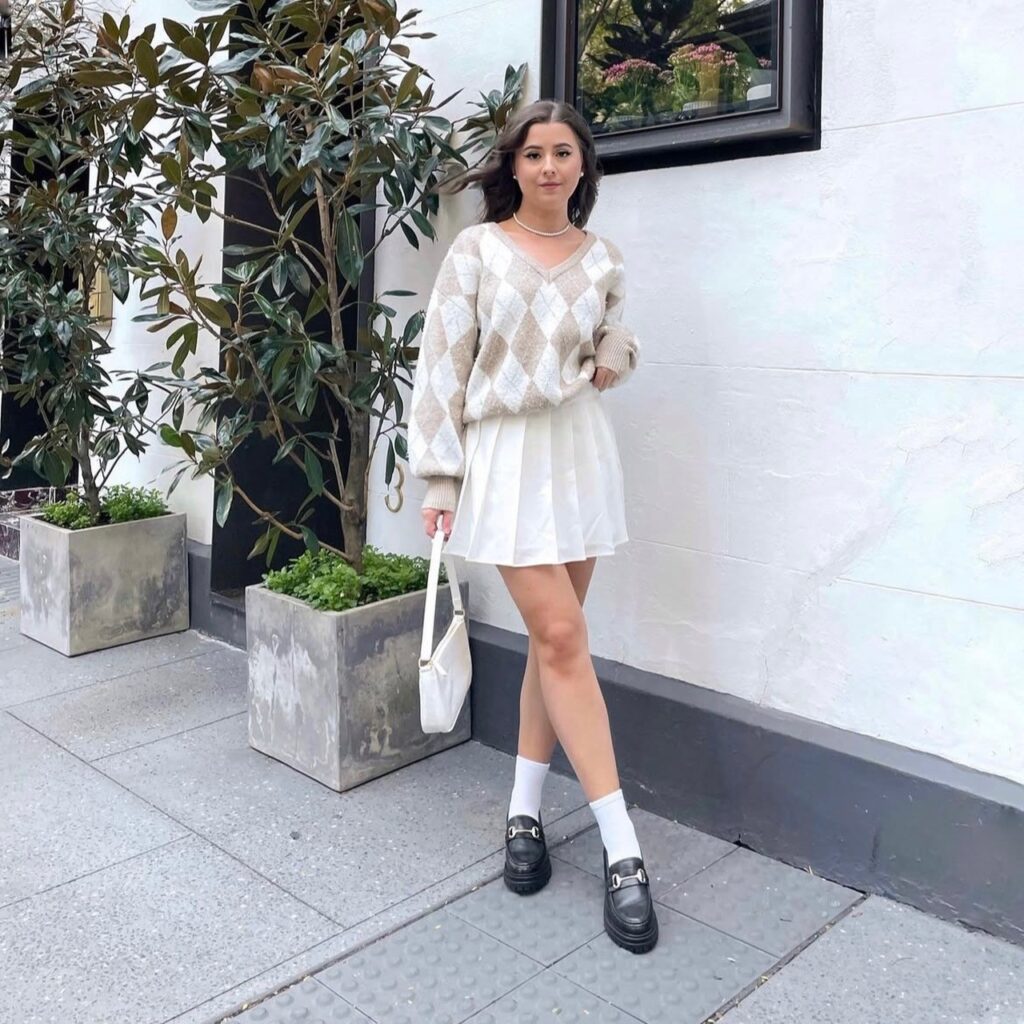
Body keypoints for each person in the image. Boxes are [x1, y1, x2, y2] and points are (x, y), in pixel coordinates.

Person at [407, 99, 657, 954]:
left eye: (564, 153)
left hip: (579, 451)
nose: (549, 166)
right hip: (506, 456)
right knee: (560, 637)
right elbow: (441, 365)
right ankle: (623, 848)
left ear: (583, 168)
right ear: (511, 165)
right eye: (534, 153)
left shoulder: (603, 258)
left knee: (559, 647)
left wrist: (616, 352)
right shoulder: (476, 251)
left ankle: (522, 813)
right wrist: (439, 476)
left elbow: (616, 328)